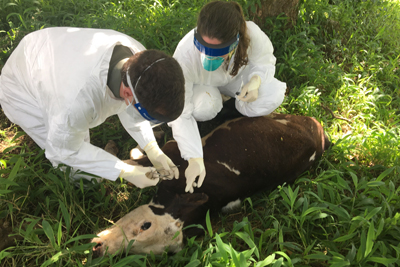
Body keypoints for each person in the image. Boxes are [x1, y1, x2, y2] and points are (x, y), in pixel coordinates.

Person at [0, 27, 185, 188]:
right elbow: (65, 149)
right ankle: (84, 183)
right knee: (74, 168)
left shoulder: (144, 64)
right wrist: (125, 172)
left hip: (53, 51)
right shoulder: (73, 104)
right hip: (21, 86)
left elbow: (132, 108)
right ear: (128, 94)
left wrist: (152, 148)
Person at [169, 1, 287, 193]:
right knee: (205, 106)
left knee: (271, 95)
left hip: (237, 82)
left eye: (216, 51)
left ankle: (232, 107)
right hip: (204, 86)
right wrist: (194, 157)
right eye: (203, 47)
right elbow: (180, 110)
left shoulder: (251, 34)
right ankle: (217, 106)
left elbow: (264, 60)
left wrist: (256, 80)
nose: (207, 55)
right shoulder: (185, 54)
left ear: (235, 41)